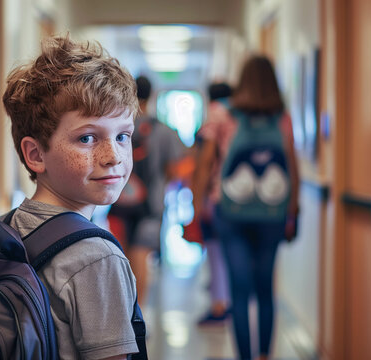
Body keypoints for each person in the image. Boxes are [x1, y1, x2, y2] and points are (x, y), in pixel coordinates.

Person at [2, 34, 141, 360]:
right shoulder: (98, 257)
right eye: (88, 137)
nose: (113, 156)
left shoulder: (8, 229)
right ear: (35, 154)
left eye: (123, 136)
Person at [205, 56, 300, 360]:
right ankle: (264, 356)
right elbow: (293, 167)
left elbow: (206, 162)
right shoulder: (281, 117)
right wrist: (293, 210)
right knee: (265, 289)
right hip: (272, 214)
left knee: (239, 290)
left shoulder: (223, 114)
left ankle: (244, 356)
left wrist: (199, 203)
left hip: (230, 211)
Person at [108, 76, 186, 306]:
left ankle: (123, 312)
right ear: (151, 95)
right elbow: (174, 169)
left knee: (121, 257)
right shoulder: (163, 131)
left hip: (119, 201)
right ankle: (138, 312)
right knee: (142, 254)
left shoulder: (118, 126)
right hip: (151, 205)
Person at [187, 82, 233, 325]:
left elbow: (205, 161)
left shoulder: (214, 116)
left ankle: (218, 306)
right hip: (241, 199)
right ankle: (230, 300)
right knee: (232, 253)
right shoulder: (239, 115)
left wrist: (197, 199)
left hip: (217, 197)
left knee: (214, 250)